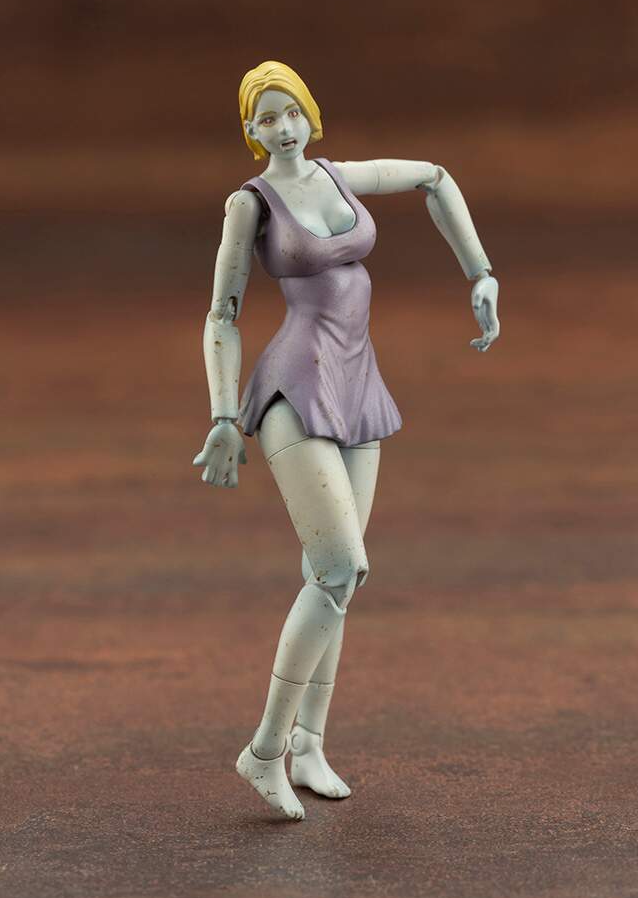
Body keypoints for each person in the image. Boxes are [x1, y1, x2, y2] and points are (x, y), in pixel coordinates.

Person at [193, 60, 500, 820]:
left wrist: (480, 273)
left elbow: (433, 177)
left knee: (338, 580)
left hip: (358, 384)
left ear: (310, 114)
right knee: (340, 567)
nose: (283, 128)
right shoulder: (250, 203)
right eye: (266, 118)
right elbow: (222, 314)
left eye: (291, 111)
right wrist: (224, 415)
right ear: (250, 130)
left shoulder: (340, 177)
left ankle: (309, 745)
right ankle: (264, 750)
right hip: (296, 386)